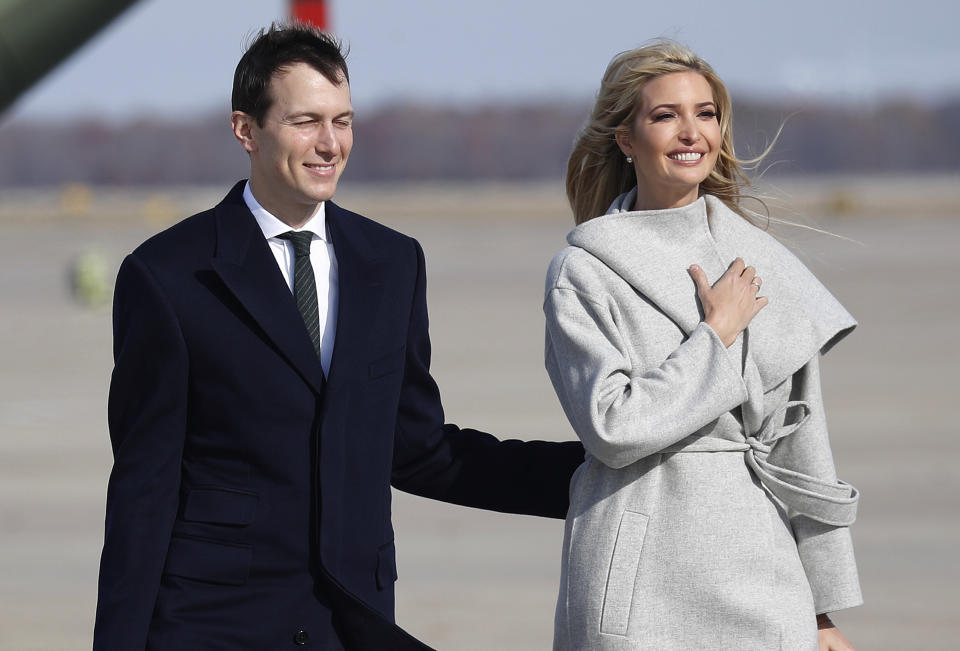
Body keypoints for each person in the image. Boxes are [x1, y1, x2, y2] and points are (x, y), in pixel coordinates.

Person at [94, 23, 584, 651]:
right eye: (306, 122)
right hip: (214, 623)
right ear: (246, 129)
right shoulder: (167, 275)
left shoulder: (392, 262)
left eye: (343, 121)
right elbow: (144, 486)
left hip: (352, 622)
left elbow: (415, 447)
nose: (330, 144)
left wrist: (589, 475)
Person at [543, 40, 862, 650]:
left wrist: (821, 611)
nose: (691, 132)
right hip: (638, 580)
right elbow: (613, 427)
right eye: (665, 116)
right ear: (626, 139)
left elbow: (803, 450)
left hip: (764, 577)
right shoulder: (585, 270)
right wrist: (715, 338)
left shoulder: (764, 265)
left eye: (706, 113)